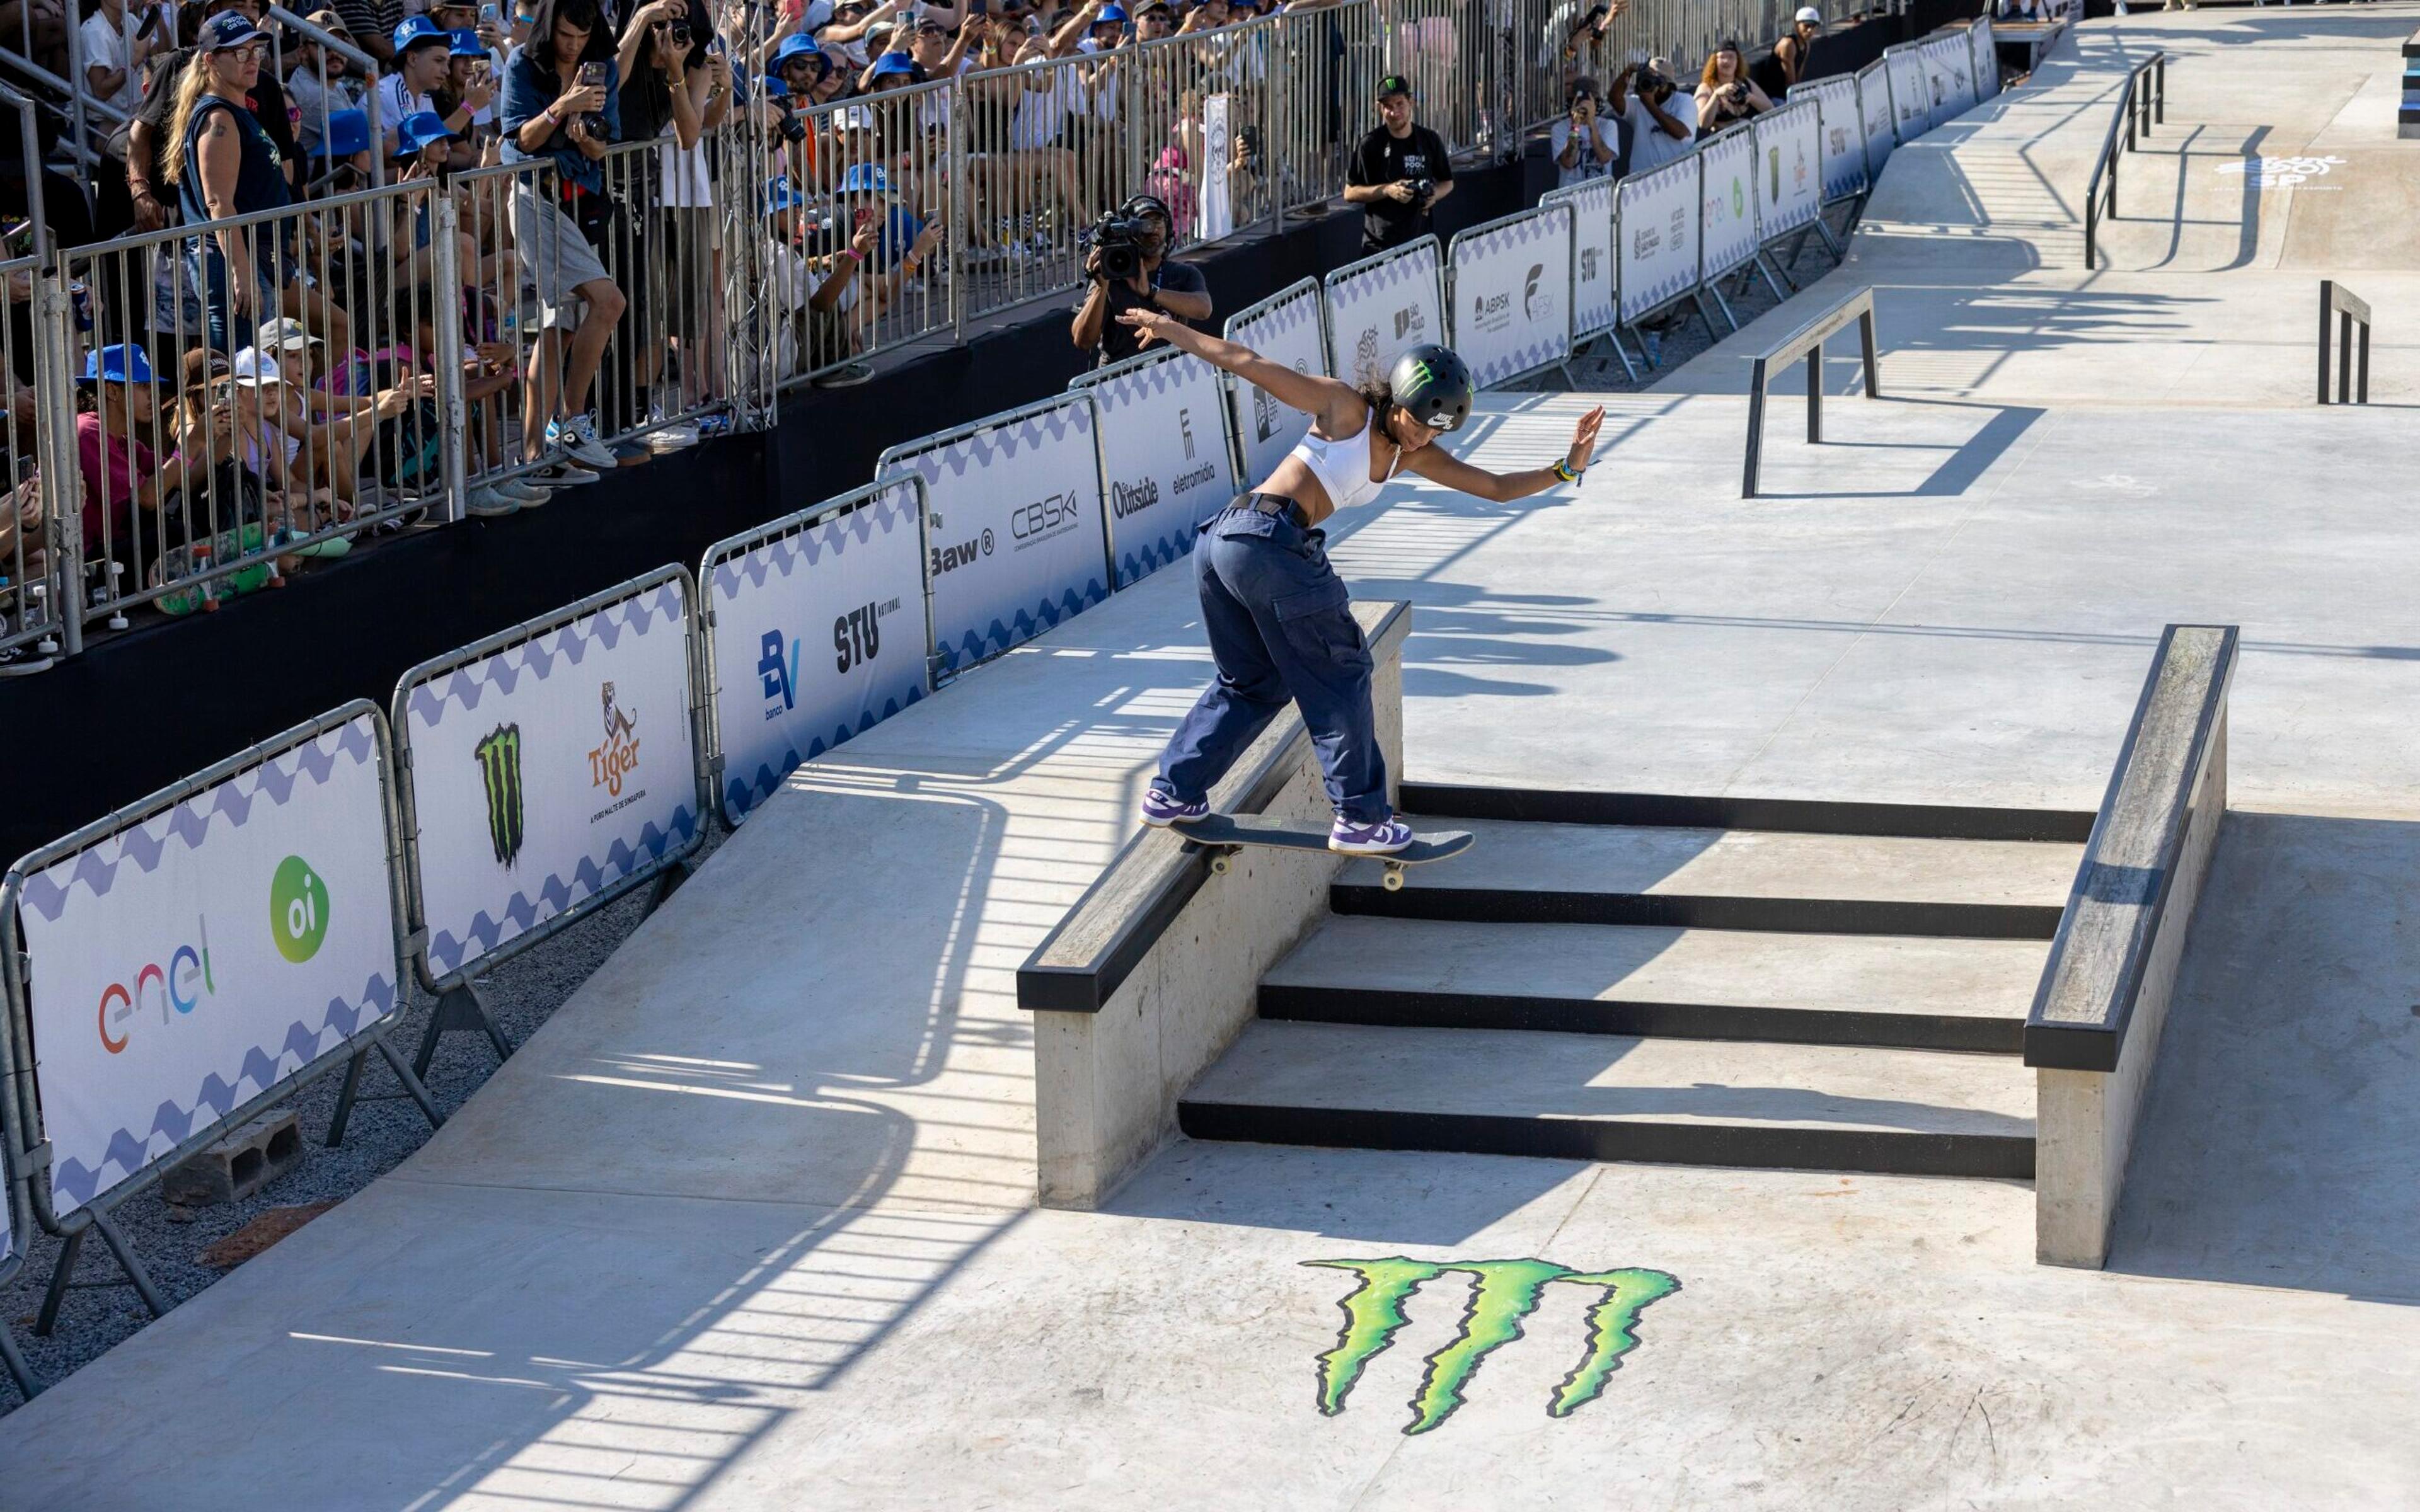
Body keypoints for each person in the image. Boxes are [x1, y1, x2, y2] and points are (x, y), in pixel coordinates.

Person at [1115, 316, 1606, 853]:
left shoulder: (1413, 455)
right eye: (1417, 419)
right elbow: (1246, 362)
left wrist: (1566, 467)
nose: (1421, 434)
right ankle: (1362, 819)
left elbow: (1493, 487)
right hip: (1265, 539)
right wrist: (1168, 328)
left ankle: (1174, 791)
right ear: (1396, 396)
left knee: (1254, 683)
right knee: (1342, 670)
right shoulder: (1346, 408)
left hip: (1225, 546)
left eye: (1434, 429)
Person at [498, 0, 629, 476]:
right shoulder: (522, 63)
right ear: (550, 27)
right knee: (609, 303)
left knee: (562, 328)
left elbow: (602, 145)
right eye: (565, 36)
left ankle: (535, 457)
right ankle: (572, 422)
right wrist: (562, 108)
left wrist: (586, 135)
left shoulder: (602, 64)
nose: (573, 45)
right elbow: (521, 140)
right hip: (537, 198)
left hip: (580, 200)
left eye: (581, 36)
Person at [165, 11, 297, 353]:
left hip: (253, 257)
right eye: (240, 53)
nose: (252, 60)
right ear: (210, 60)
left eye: (256, 51)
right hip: (236, 261)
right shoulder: (218, 118)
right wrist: (243, 273)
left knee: (256, 373)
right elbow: (219, 204)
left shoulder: (235, 113)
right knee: (242, 374)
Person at [1069, 191, 1212, 367]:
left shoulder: (1183, 273)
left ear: (1168, 229)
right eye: (1144, 224)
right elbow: (1082, 340)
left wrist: (1151, 292)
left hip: (1172, 376)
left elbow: (1204, 309)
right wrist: (1101, 288)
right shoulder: (1110, 275)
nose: (1153, 230)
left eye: (1158, 222)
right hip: (1118, 381)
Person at [1342, 72, 1451, 255]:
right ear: (1380, 109)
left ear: (1411, 103)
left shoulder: (1429, 140)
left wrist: (1433, 196)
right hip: (1379, 248)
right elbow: (1350, 192)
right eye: (1388, 107)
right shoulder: (1370, 144)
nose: (1394, 112)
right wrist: (1388, 190)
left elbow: (1447, 182)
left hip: (1422, 244)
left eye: (1400, 103)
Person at [286, 10, 371, 159]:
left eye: (340, 44)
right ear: (303, 52)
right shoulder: (314, 94)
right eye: (324, 44)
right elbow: (367, 146)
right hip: (323, 180)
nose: (335, 53)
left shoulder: (325, 79)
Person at [1607, 55, 1692, 175]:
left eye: (1657, 82)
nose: (1651, 85)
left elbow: (1681, 133)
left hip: (1675, 179)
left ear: (1668, 86)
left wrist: (1650, 105)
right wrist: (1628, 71)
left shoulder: (1684, 101)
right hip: (1641, 182)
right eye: (1648, 79)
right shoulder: (1639, 102)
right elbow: (1614, 99)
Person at [1693, 39, 1770, 136]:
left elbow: (1770, 109)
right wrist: (1716, 96)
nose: (1727, 61)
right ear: (1714, 62)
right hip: (1725, 145)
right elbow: (1702, 123)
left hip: (1749, 139)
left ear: (1738, 61)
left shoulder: (1745, 82)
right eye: (1722, 57)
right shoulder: (1706, 87)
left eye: (1731, 57)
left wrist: (1750, 98)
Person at [1549, 78, 1615, 186]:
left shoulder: (1609, 126)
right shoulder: (1559, 129)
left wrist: (1591, 122)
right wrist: (1575, 125)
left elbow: (1605, 157)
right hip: (1571, 196)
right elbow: (1568, 162)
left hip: (1602, 195)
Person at [1773, 6, 1820, 89]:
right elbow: (1790, 82)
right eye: (1806, 26)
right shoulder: (1788, 45)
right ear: (1796, 25)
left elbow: (1798, 78)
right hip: (1775, 97)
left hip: (1789, 93)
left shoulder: (1806, 45)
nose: (1810, 30)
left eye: (1813, 26)